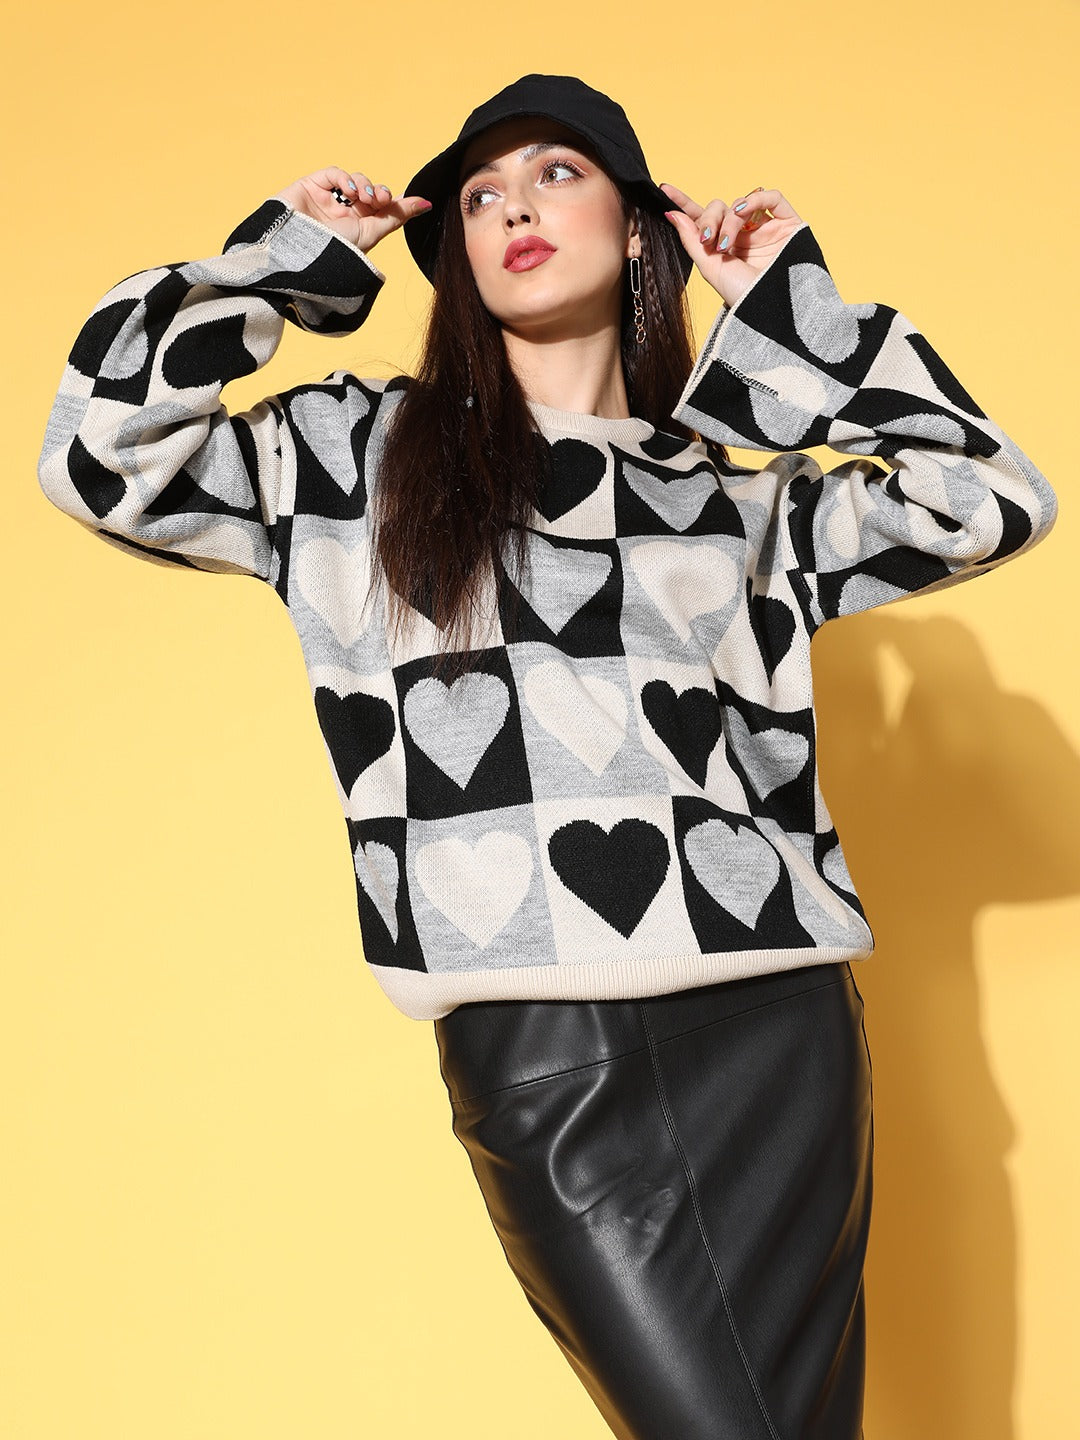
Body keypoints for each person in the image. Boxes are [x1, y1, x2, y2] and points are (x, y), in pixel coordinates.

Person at [37, 72, 1056, 1440]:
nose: (514, 207)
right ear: (453, 253)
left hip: (780, 1027)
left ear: (639, 226)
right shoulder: (356, 455)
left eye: (556, 174)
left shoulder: (728, 498)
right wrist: (283, 259)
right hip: (545, 1053)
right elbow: (101, 451)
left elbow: (991, 498)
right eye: (479, 196)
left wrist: (791, 308)